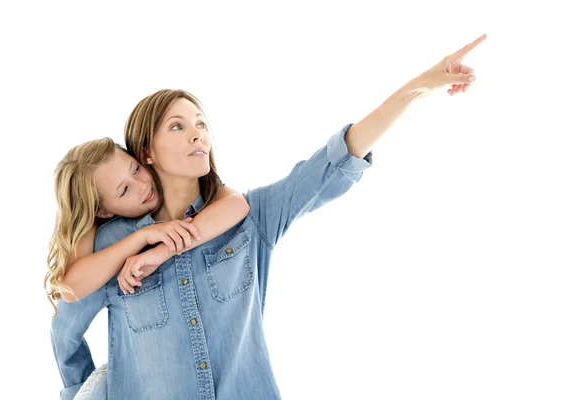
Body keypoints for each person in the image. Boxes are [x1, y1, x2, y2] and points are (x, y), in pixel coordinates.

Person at [51, 34, 487, 399]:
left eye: (201, 122)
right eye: (177, 126)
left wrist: (416, 88)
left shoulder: (250, 218)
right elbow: (66, 333)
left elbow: (333, 161)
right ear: (146, 151)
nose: (198, 132)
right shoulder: (113, 247)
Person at [46, 139, 250, 398]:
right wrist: (85, 390)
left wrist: (161, 247)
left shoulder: (188, 189)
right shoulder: (103, 242)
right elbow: (67, 315)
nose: (143, 186)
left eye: (136, 169)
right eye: (124, 191)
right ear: (103, 212)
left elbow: (238, 203)